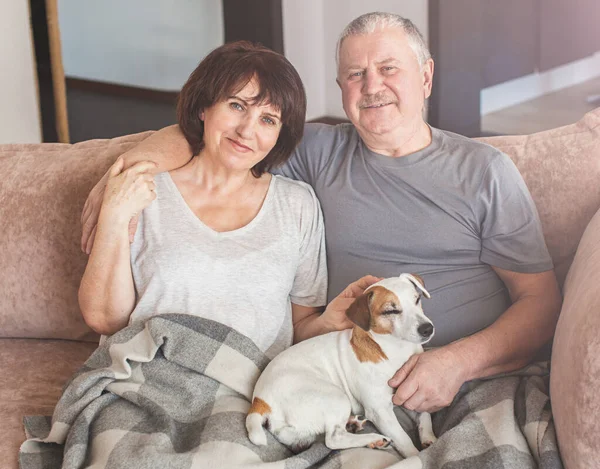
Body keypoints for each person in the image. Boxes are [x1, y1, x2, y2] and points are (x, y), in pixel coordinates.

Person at [81, 13, 561, 414]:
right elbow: (208, 133)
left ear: (426, 76)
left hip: (464, 377)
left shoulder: (485, 172)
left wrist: (457, 364)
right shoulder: (317, 151)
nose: (372, 87)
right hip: (349, 374)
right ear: (340, 87)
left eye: (389, 68)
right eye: (355, 74)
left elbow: (540, 303)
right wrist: (124, 175)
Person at [78, 40, 377, 358]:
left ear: (279, 135)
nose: (247, 130)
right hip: (148, 377)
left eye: (268, 120)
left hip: (247, 390)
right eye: (237, 106)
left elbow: (298, 327)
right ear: (203, 108)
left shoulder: (297, 206)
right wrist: (113, 213)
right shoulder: (144, 191)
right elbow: (104, 319)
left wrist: (329, 323)